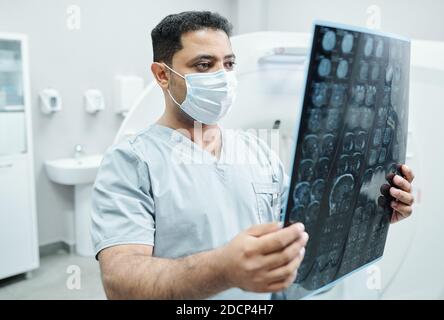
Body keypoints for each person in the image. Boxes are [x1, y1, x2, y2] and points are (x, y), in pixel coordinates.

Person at [91, 11, 415, 300]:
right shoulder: (132, 162)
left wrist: (371, 208)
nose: (223, 76)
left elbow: (300, 234)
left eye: (229, 64)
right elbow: (121, 283)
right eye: (204, 65)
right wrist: (223, 270)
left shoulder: (257, 151)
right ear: (163, 75)